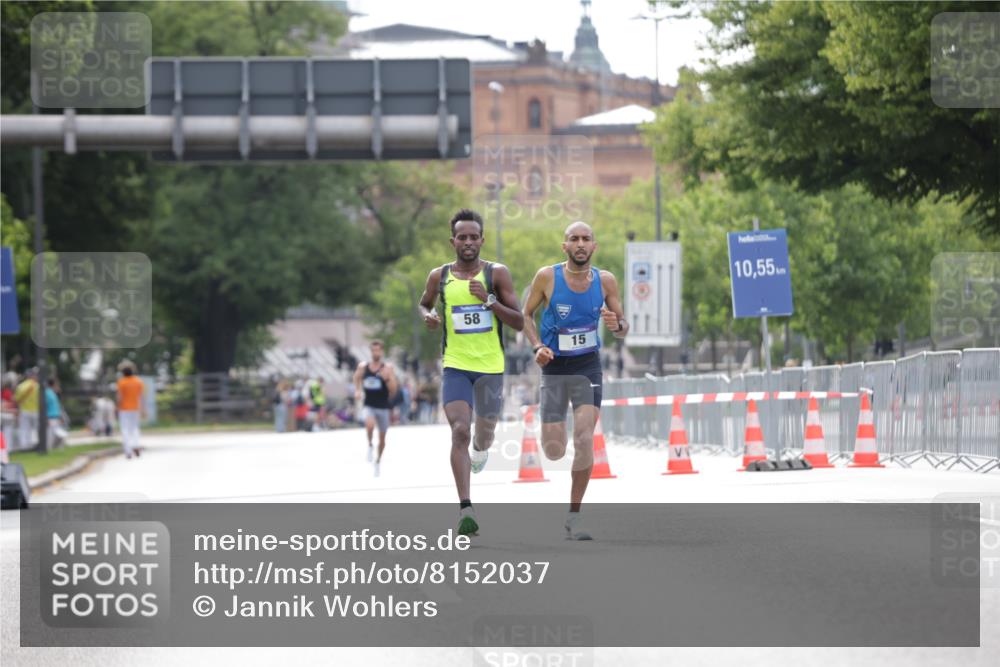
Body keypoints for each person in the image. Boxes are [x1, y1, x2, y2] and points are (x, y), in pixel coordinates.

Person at [418, 208, 524, 536]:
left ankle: (481, 450)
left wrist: (490, 301)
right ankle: (466, 508)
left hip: (491, 368)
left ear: (482, 240)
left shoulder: (497, 274)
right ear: (453, 241)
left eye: (473, 237)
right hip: (456, 367)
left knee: (484, 435)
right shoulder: (440, 276)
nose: (467, 242)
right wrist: (429, 316)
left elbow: (520, 321)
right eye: (461, 237)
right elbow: (425, 303)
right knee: (460, 430)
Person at [521, 221, 628, 540]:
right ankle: (556, 443)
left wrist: (615, 323)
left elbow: (622, 329)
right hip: (554, 367)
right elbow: (525, 315)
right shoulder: (547, 277)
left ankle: (574, 516)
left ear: (594, 246)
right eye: (574, 239)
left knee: (584, 439)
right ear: (564, 246)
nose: (580, 244)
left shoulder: (606, 281)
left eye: (586, 239)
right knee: (554, 449)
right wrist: (537, 346)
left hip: (587, 367)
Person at [353, 340, 399, 477]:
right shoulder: (363, 366)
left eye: (378, 350)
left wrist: (387, 379)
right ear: (370, 351)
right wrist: (358, 390)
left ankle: (378, 460)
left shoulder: (387, 368)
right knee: (369, 425)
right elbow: (356, 378)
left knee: (382, 438)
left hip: (383, 406)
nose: (375, 353)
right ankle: (369, 445)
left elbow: (394, 390)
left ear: (382, 351)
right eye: (373, 350)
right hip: (369, 404)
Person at [116, 363, 145, 459]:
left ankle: (128, 451)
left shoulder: (121, 382)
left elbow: (119, 397)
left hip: (124, 409)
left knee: (125, 430)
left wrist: (117, 407)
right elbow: (141, 397)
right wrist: (143, 409)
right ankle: (136, 446)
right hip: (135, 408)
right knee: (135, 428)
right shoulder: (138, 381)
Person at [14, 368, 40, 449]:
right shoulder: (38, 386)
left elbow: (16, 400)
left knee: (24, 429)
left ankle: (25, 446)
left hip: (24, 411)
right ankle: (36, 444)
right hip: (36, 410)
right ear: (33, 376)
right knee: (36, 429)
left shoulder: (20, 386)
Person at [45, 378, 67, 448]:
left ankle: (55, 446)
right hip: (50, 416)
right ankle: (49, 446)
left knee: (56, 432)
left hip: (55, 416)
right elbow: (45, 405)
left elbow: (57, 406)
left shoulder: (53, 393)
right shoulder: (47, 393)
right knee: (51, 433)